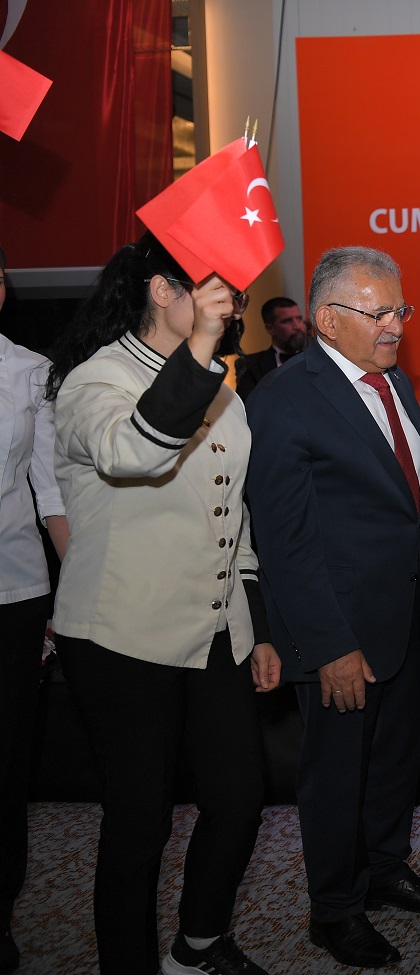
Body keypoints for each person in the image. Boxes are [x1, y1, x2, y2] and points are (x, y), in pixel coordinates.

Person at [44, 234, 278, 975]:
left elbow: (233, 515)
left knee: (239, 796)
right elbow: (135, 453)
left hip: (214, 628)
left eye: (233, 295)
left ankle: (199, 942)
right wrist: (203, 348)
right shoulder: (96, 380)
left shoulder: (221, 389)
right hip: (121, 633)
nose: (231, 306)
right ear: (161, 290)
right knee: (140, 821)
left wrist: (254, 625)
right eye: (216, 291)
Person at [246, 246, 420, 969]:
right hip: (339, 630)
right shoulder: (284, 399)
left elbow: (404, 502)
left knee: (395, 757)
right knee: (337, 774)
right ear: (328, 319)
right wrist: (329, 644)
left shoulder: (394, 383)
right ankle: (335, 909)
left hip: (404, 616)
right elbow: (285, 541)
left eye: (400, 309)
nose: (396, 325)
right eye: (379, 313)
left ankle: (385, 868)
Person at [0, 246, 69, 975]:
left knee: (6, 762)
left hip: (12, 594)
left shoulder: (29, 371)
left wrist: (75, 588)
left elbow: (51, 492)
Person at [233, 296, 308, 401]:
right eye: (287, 321)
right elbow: (248, 405)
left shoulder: (318, 359)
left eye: (299, 319)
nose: (297, 326)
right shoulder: (251, 365)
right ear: (270, 328)